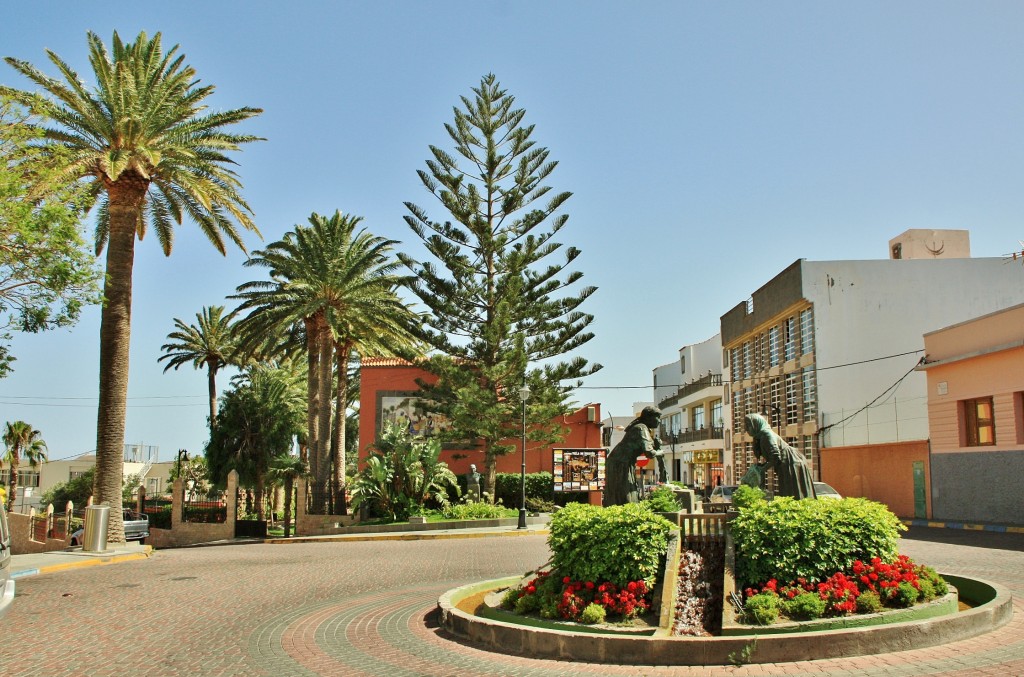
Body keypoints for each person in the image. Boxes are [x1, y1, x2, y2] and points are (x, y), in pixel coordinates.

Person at [743, 413, 817, 499]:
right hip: (785, 462)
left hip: (791, 461)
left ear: (756, 424)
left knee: (792, 492)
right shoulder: (759, 437)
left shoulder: (766, 435)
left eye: (748, 425)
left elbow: (775, 456)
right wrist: (762, 467)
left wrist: (762, 469)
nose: (746, 429)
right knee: (787, 490)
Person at [604, 406, 665, 506]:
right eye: (657, 417)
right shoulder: (641, 429)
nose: (659, 421)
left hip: (624, 462)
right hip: (619, 463)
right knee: (624, 493)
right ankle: (621, 512)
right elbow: (649, 453)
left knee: (629, 491)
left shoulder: (642, 428)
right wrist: (660, 452)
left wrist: (655, 445)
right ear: (648, 417)